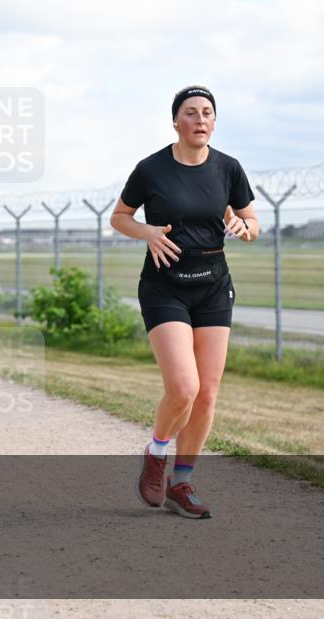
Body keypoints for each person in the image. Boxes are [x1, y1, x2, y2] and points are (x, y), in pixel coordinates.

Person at [110, 85, 259, 520]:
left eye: (207, 113)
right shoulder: (151, 169)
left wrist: (244, 228)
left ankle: (183, 482)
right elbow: (119, 217)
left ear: (214, 122)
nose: (200, 120)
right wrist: (148, 232)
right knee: (184, 388)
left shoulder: (228, 168)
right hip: (165, 286)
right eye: (190, 113)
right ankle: (156, 452)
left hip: (213, 286)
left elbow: (252, 221)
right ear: (176, 122)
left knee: (208, 393)